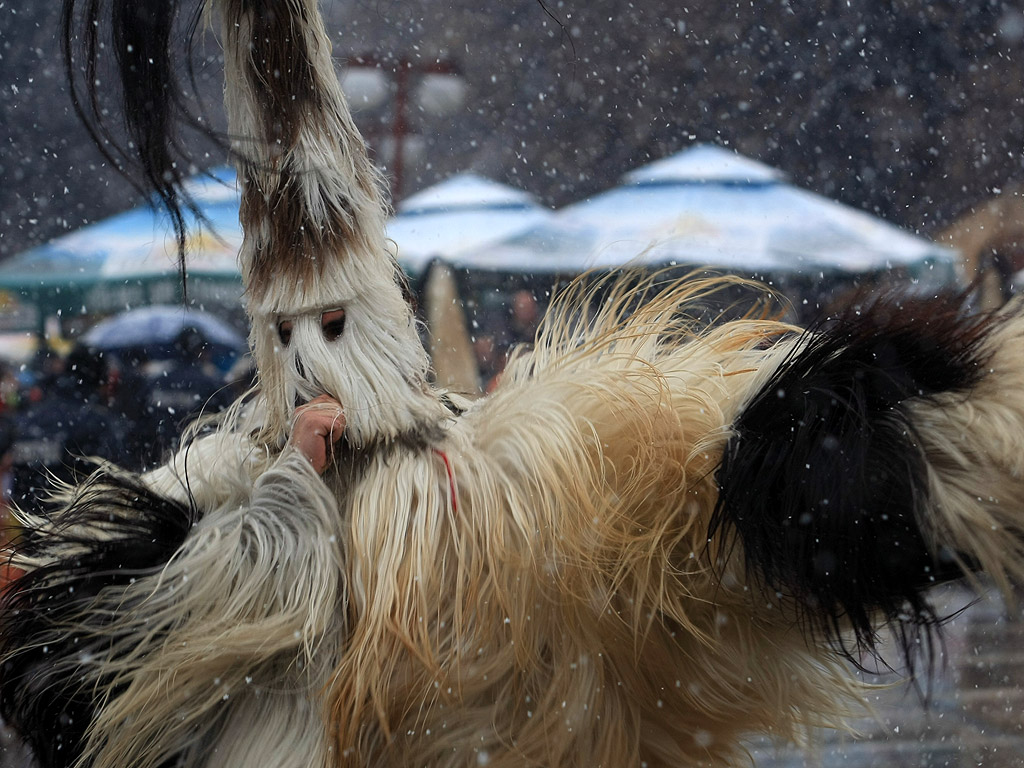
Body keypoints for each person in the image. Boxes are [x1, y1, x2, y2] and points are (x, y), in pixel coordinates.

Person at [4, 3, 1024, 768]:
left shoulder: (533, 475)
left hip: (520, 569)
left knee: (729, 489)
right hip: (427, 629)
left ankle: (918, 458)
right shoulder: (207, 527)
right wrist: (289, 494)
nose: (318, 355)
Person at [7, 343, 123, 514]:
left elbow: (17, 478)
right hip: (77, 524)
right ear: (100, 378)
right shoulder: (96, 421)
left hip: (29, 523)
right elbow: (114, 478)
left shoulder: (30, 419)